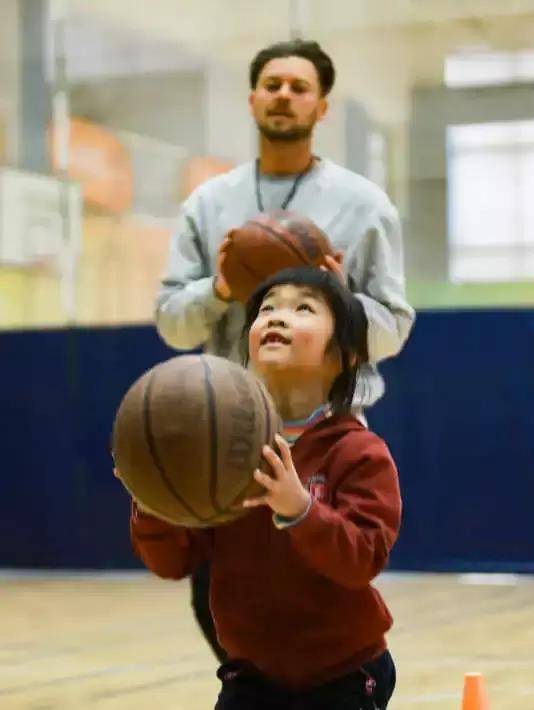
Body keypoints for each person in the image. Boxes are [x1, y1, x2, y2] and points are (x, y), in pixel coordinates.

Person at [155, 39, 414, 662]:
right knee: (225, 588)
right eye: (272, 84)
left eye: (299, 87)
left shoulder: (364, 205)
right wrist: (222, 288)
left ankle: (334, 683)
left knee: (321, 576)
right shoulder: (209, 204)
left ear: (322, 106)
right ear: (252, 99)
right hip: (230, 423)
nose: (284, 95)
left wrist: (334, 298)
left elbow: (394, 326)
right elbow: (171, 323)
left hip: (324, 422)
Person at [131, 267, 401, 709]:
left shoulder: (357, 452)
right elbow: (173, 561)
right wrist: (154, 499)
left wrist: (301, 510)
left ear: (347, 354)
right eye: (267, 308)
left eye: (303, 308)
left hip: (344, 670)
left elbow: (363, 559)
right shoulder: (222, 453)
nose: (277, 316)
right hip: (251, 675)